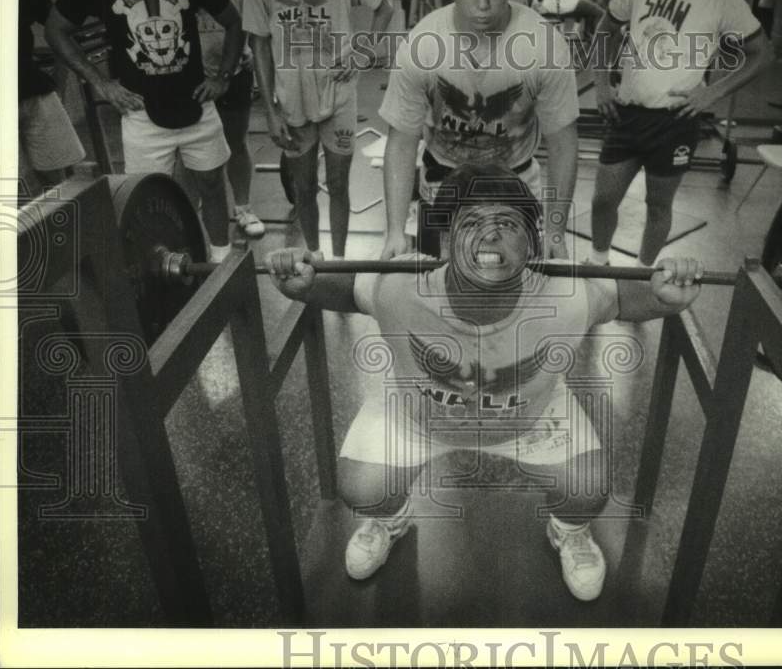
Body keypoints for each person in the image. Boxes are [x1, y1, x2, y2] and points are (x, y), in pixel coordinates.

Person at [266, 161, 705, 600]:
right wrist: (305, 284)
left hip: (529, 417)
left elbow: (630, 297)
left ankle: (568, 531)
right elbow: (345, 290)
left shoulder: (567, 292)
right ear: (446, 239)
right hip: (418, 416)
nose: (489, 235)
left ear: (531, 244)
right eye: (471, 222)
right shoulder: (402, 283)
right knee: (362, 487)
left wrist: (665, 298)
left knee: (587, 489)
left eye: (508, 224)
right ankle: (389, 518)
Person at [46, 0, 241, 263]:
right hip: (140, 112)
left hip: (196, 104)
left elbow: (233, 21)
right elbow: (57, 30)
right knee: (150, 199)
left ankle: (221, 263)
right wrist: (100, 83)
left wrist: (223, 77)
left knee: (213, 186)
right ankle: (170, 269)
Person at [378, 0, 580, 262]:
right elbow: (401, 143)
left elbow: (563, 143)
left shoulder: (543, 45)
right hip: (441, 190)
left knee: (516, 305)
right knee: (438, 303)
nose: (483, 6)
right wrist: (395, 231)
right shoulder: (423, 43)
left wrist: (557, 230)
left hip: (515, 192)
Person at [589, 0, 773, 267]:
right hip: (626, 114)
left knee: (658, 205)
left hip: (675, 123)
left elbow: (763, 54)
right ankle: (597, 264)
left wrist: (713, 93)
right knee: (603, 199)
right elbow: (607, 27)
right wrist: (601, 83)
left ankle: (643, 275)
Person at [243, 0, 394, 259]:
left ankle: (339, 263)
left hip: (339, 93)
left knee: (339, 184)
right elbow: (260, 45)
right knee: (304, 186)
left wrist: (360, 54)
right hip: (292, 99)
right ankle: (313, 256)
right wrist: (271, 112)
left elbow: (384, 8)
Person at [181, 0, 263, 238]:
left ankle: (242, 208)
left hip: (233, 73)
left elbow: (254, 25)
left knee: (236, 141)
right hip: (190, 77)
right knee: (191, 149)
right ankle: (194, 210)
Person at [19, 0, 86, 194]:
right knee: (17, 192)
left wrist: (59, 83)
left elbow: (59, 28)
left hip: (33, 91)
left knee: (61, 184)